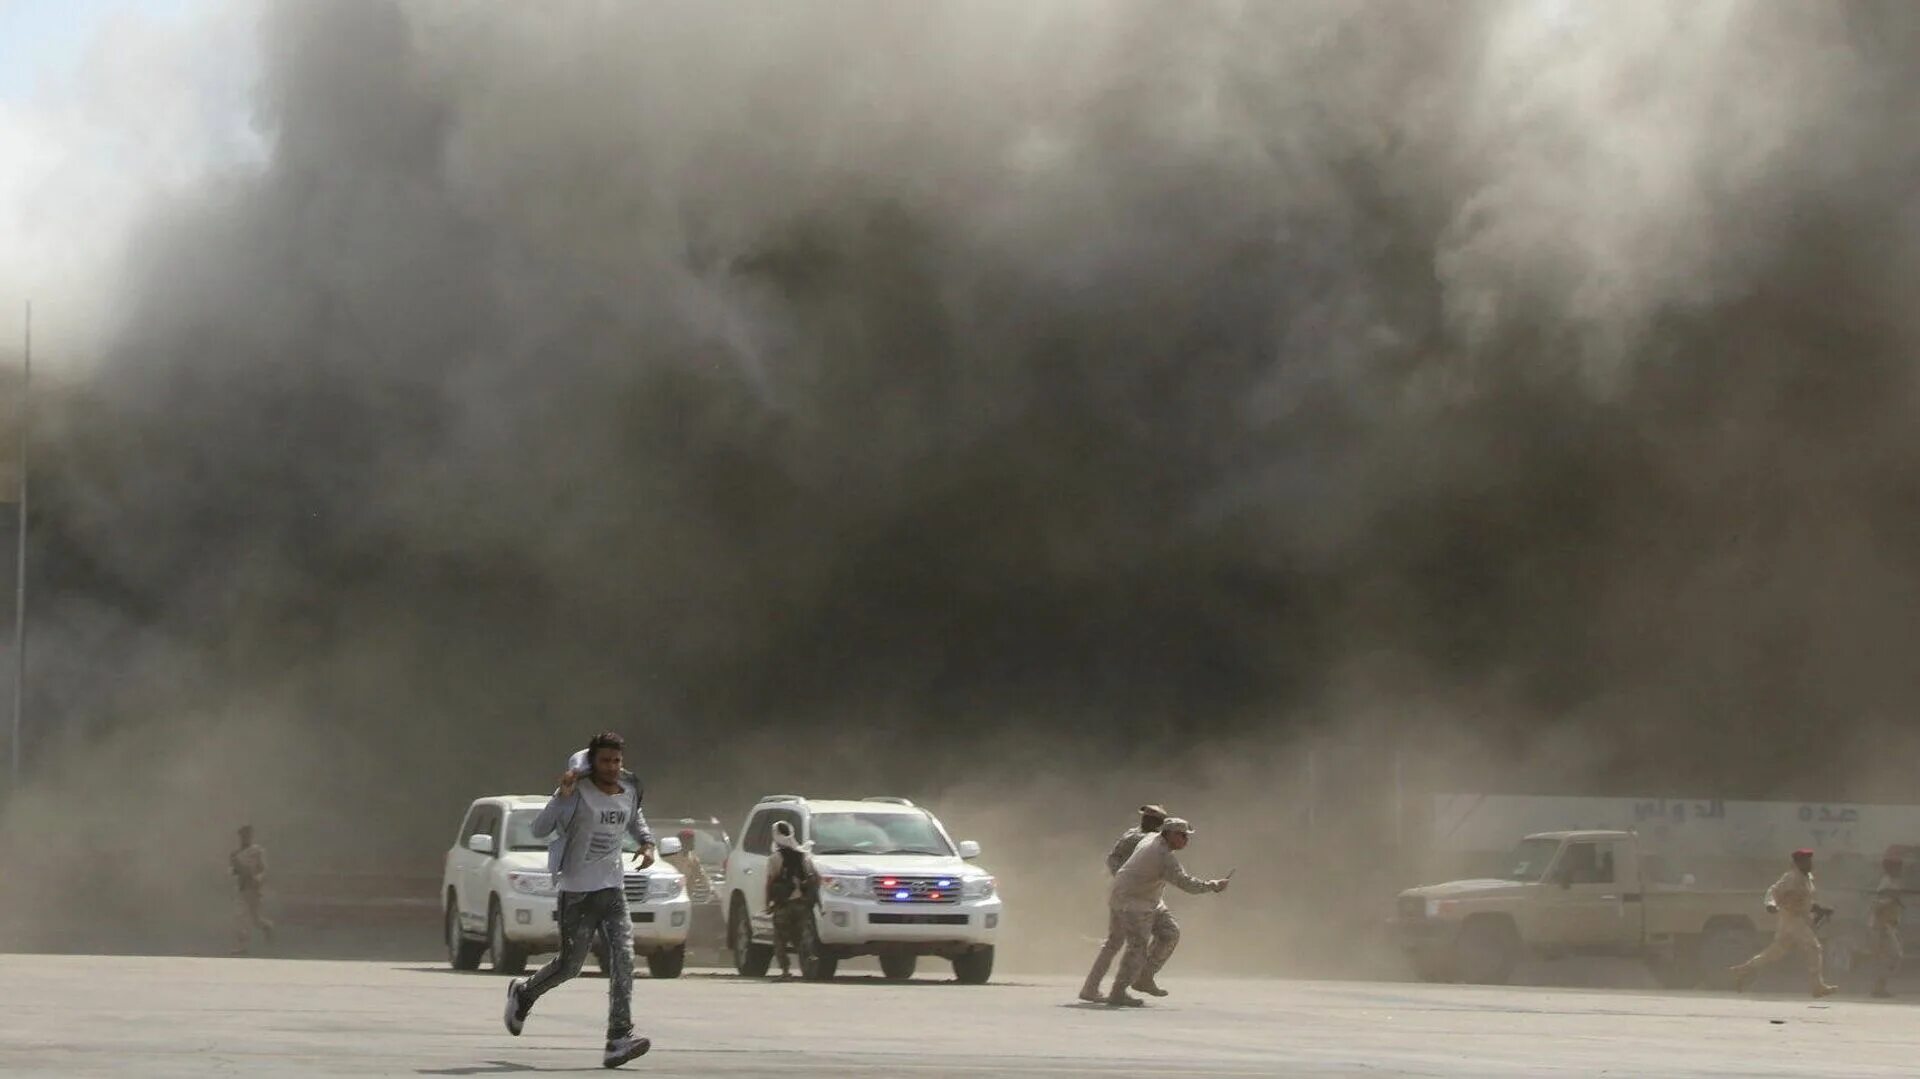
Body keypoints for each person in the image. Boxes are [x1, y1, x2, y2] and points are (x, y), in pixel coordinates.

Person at [503, 732, 656, 1068]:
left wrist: (646, 843)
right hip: (578, 891)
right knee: (570, 965)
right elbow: (541, 829)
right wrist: (561, 794)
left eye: (617, 761)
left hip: (613, 889)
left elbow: (635, 816)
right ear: (591, 762)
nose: (613, 767)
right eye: (605, 761)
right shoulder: (576, 793)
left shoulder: (628, 789)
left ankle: (618, 1038)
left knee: (625, 959)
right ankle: (524, 993)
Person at [1083, 818, 1229, 1006]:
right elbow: (1187, 884)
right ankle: (1118, 992)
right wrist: (1214, 885)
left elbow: (1137, 838)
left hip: (1134, 898)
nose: (1186, 840)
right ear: (1168, 834)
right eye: (1182, 835)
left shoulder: (1151, 838)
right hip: (1134, 903)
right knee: (1137, 946)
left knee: (1168, 933)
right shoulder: (1163, 857)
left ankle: (1141, 978)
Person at [1079, 805, 1169, 1000]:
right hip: (1133, 900)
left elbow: (1112, 860)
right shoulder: (1144, 840)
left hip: (1123, 896)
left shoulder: (1131, 835)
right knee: (1136, 943)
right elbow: (1116, 863)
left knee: (1113, 943)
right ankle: (1123, 987)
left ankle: (1090, 988)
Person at [1730, 848, 1838, 998]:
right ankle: (1817, 986)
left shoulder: (1806, 878)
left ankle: (1743, 969)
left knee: (1774, 953)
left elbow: (1803, 900)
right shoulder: (1791, 877)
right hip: (1792, 919)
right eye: (1806, 861)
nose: (1810, 863)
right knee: (1814, 948)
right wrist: (1770, 904)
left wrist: (1819, 909)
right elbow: (1773, 891)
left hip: (1794, 920)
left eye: (1810, 860)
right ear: (1798, 862)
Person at [765, 819, 821, 979]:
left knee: (780, 939)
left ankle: (785, 971)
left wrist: (768, 903)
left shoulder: (774, 858)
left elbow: (769, 883)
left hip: (783, 904)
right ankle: (810, 962)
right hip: (802, 904)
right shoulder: (804, 855)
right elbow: (817, 877)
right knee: (803, 936)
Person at [229, 825, 274, 955]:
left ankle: (267, 926)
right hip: (241, 888)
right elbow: (231, 871)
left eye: (247, 835)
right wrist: (235, 871)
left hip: (253, 889)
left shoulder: (258, 851)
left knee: (255, 919)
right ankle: (242, 946)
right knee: (240, 917)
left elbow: (264, 869)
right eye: (243, 835)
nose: (245, 837)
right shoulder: (235, 854)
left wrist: (258, 879)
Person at [1868, 854, 1904, 999]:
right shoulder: (1887, 884)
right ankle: (1878, 987)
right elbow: (1878, 905)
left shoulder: (1892, 882)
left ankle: (1879, 987)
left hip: (1887, 926)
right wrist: (1882, 925)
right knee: (1893, 955)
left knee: (1888, 957)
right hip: (1882, 927)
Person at [664, 828, 713, 903]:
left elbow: (702, 876)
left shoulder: (693, 859)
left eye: (693, 841)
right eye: (690, 841)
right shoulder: (669, 858)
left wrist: (710, 889)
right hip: (670, 896)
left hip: (687, 897)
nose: (693, 843)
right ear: (682, 842)